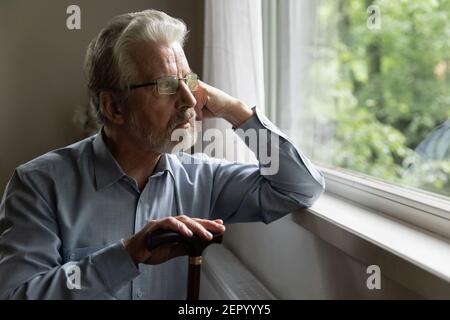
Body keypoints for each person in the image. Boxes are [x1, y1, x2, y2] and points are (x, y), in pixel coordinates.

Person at [0, 9, 325, 299]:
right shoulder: (39, 185)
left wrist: (235, 110)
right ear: (114, 107)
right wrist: (127, 255)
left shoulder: (203, 178)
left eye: (190, 82)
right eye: (166, 86)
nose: (189, 100)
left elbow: (298, 187)